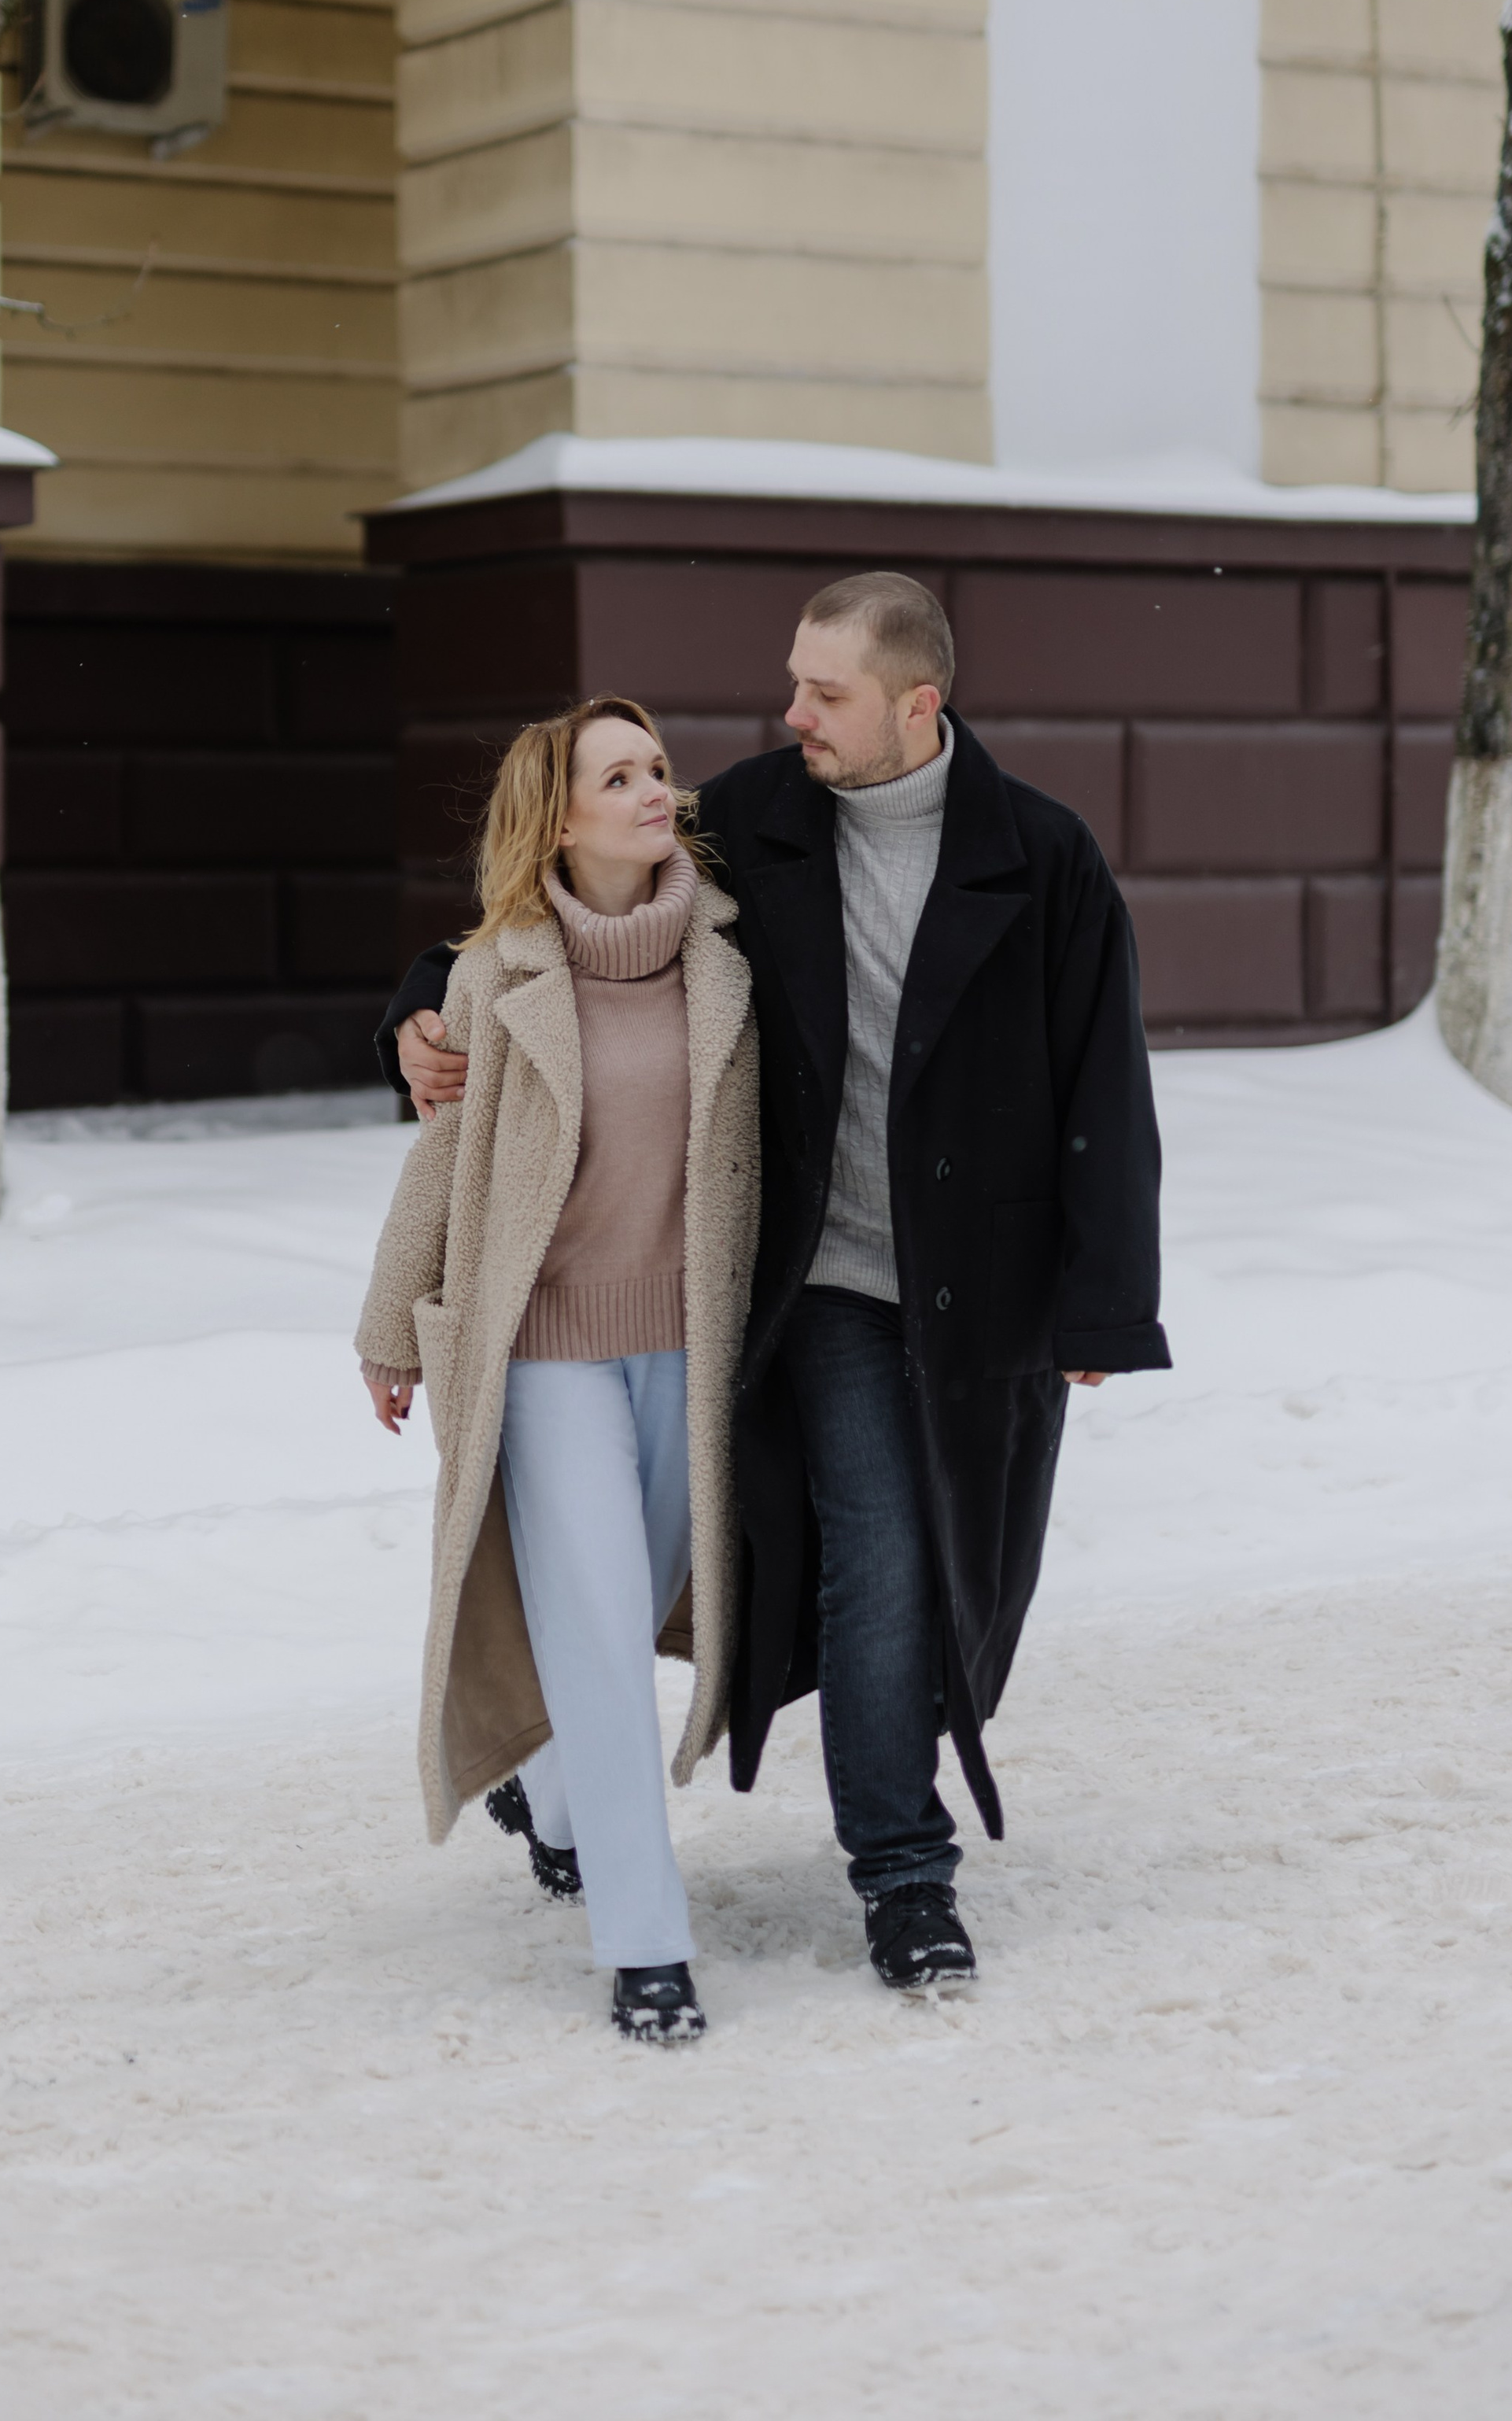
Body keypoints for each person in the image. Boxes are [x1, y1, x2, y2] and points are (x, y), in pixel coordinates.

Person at [382, 571, 1168, 1994]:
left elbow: (1103, 1080)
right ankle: (891, 1871)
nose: (788, 711)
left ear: (917, 705)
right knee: (858, 1562)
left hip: (960, 1285)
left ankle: (811, 1844)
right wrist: (417, 1009)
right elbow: (554, 906)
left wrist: (1103, 1298)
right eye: (793, 682)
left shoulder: (1041, 858)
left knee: (916, 1568)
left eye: (826, 692)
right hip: (804, 1280)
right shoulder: (755, 816)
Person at [355, 695, 758, 2043]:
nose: (656, 790)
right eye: (620, 775)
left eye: (657, 767)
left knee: (633, 1605)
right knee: (590, 1616)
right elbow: (443, 1158)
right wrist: (386, 1323)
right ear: (560, 817)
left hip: (691, 1345)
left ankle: (561, 1795)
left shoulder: (730, 948)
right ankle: (646, 1943)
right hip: (542, 1354)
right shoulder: (495, 975)